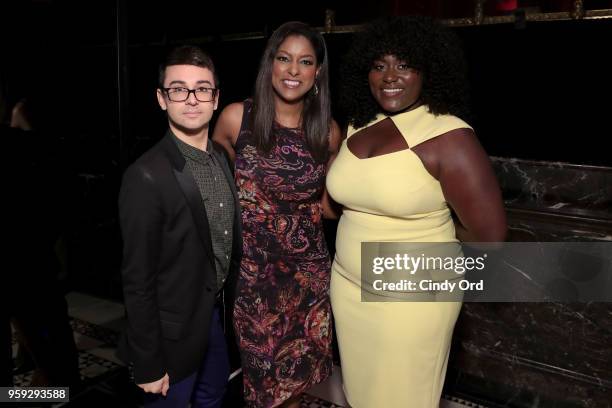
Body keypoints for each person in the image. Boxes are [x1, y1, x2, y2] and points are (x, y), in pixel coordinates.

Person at [326, 16, 507, 407]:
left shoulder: (450, 137)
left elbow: (489, 237)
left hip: (412, 294)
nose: (390, 76)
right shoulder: (360, 122)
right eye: (379, 65)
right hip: (347, 285)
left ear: (429, 70)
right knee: (361, 393)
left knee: (403, 397)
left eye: (404, 64)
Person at [213, 21, 341, 408]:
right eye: (284, 59)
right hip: (254, 281)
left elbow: (328, 207)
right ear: (270, 64)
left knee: (296, 386)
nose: (293, 70)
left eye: (305, 62)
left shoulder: (328, 131)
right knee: (265, 388)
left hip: (309, 279)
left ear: (317, 72)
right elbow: (218, 188)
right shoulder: (237, 118)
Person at [117, 45, 242, 408]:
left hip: (212, 318)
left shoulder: (221, 157)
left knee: (213, 393)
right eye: (178, 89)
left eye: (202, 88)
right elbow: (137, 281)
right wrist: (149, 363)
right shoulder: (145, 175)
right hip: (169, 334)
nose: (191, 99)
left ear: (216, 98)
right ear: (161, 98)